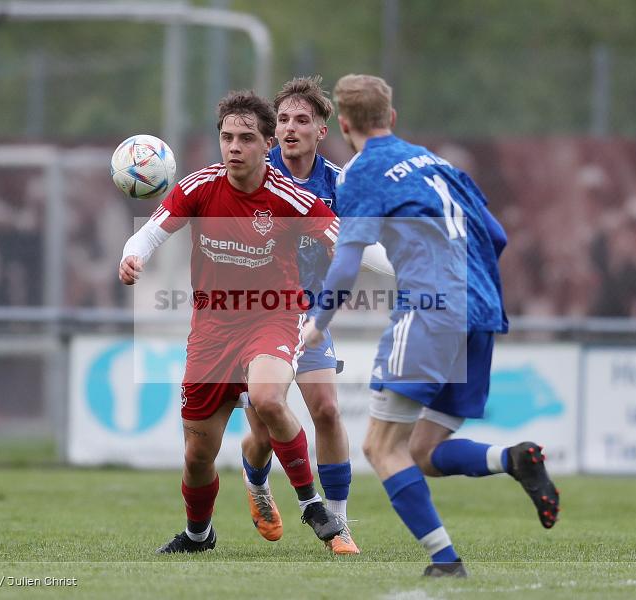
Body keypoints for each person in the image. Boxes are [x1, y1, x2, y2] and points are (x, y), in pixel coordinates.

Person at [302, 74, 560, 577]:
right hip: (482, 309)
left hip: (430, 307)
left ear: (346, 125)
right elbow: (497, 235)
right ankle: (516, 459)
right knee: (420, 451)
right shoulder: (440, 163)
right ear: (392, 118)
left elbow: (347, 261)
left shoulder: (358, 174)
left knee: (380, 446)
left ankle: (446, 561)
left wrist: (319, 322)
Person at [120, 90, 345, 553]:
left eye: (245, 138)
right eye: (226, 137)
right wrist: (131, 257)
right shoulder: (200, 186)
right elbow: (151, 231)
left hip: (274, 316)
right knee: (198, 455)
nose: (234, 147)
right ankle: (198, 535)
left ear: (268, 145)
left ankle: (312, 505)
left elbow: (350, 243)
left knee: (267, 399)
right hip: (211, 331)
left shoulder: (290, 198)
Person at [238, 76, 361, 555]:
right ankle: (257, 485)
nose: (291, 128)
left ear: (321, 129)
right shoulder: (252, 173)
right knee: (265, 434)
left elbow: (353, 250)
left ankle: (340, 522)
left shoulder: (339, 184)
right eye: (284, 119)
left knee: (327, 410)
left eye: (301, 120)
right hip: (255, 314)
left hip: (309, 313)